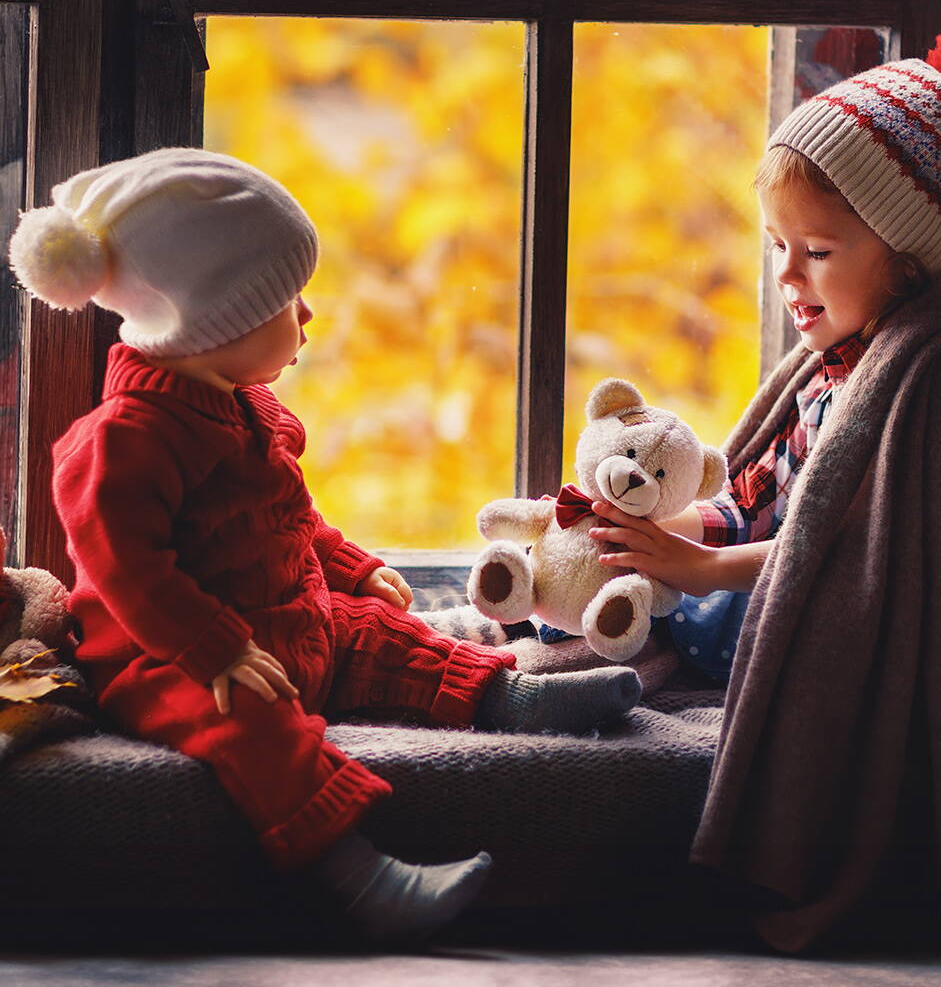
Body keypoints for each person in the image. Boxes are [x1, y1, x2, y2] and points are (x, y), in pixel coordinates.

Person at [7, 148, 642, 944]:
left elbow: (291, 516)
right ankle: (358, 875)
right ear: (213, 324)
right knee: (253, 726)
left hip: (284, 622)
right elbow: (124, 568)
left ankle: (507, 696)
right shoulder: (127, 438)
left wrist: (352, 567)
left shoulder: (242, 405)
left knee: (377, 633)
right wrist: (213, 650)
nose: (307, 316)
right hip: (170, 659)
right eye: (286, 301)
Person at [583, 20, 941, 946]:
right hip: (807, 581)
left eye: (818, 253)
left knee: (703, 609)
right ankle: (552, 615)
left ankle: (597, 627)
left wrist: (704, 571)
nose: (789, 276)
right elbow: (772, 495)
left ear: (906, 254)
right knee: (625, 563)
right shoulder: (840, 363)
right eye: (776, 248)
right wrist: (683, 531)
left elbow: (851, 557)